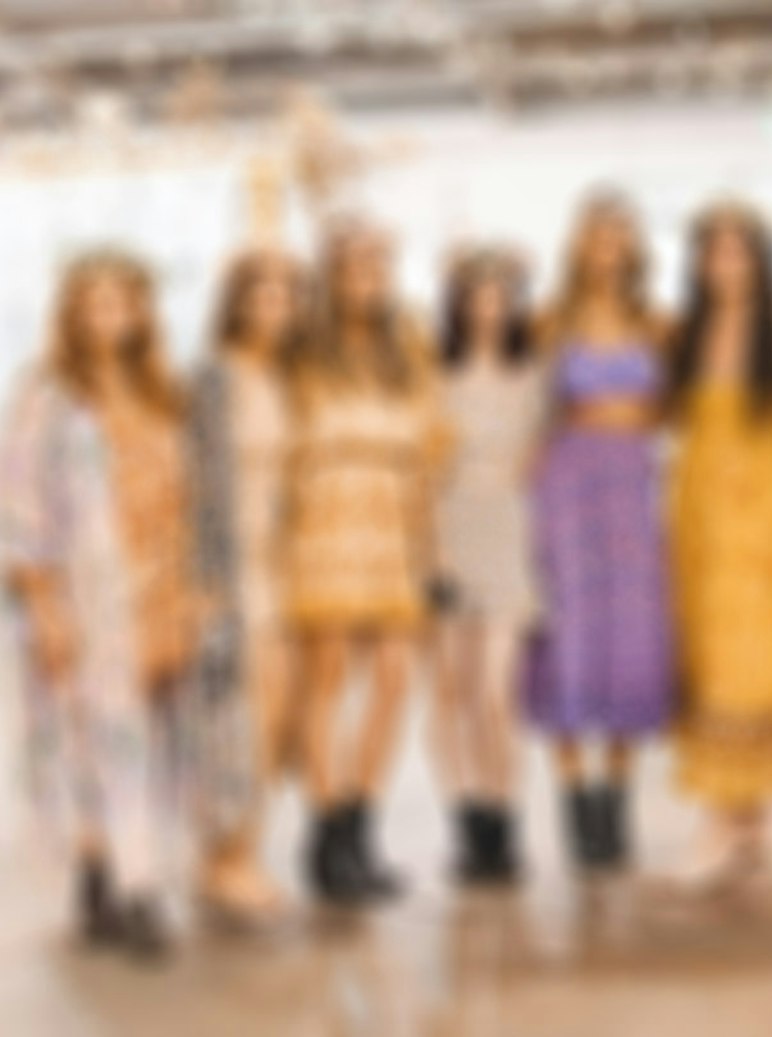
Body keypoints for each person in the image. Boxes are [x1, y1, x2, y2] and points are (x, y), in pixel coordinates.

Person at [4, 251, 201, 957]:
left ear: (144, 309)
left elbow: (190, 491)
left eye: (125, 301)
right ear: (73, 312)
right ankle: (138, 893)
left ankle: (99, 875)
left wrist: (196, 588)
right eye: (97, 303)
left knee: (155, 742)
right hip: (89, 594)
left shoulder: (162, 391)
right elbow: (21, 506)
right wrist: (45, 607)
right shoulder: (46, 395)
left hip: (162, 587)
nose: (111, 316)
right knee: (108, 740)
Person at [287, 217, 445, 907]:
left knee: (392, 677)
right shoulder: (304, 350)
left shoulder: (407, 344)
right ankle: (324, 834)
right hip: (326, 519)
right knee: (327, 679)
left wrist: (426, 533)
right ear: (330, 273)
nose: (368, 278)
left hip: (395, 519)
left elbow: (435, 437)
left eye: (379, 264)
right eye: (354, 265)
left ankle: (361, 823)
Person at [526, 192, 674, 875]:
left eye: (619, 238)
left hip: (633, 482)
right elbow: (525, 405)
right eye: (595, 237)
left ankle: (616, 795)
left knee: (630, 637)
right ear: (578, 246)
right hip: (569, 479)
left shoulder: (654, 321)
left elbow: (671, 406)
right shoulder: (550, 321)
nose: (607, 250)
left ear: (635, 249)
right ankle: (574, 798)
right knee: (566, 632)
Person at [667, 201, 772, 892]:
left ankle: (740, 814)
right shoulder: (689, 332)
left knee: (756, 665)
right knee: (709, 658)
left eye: (737, 251)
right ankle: (732, 813)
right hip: (701, 512)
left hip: (766, 513)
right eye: (712, 252)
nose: (724, 265)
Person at [183, 249, 301, 924]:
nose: (277, 309)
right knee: (238, 714)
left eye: (288, 296)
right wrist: (199, 580)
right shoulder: (212, 378)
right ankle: (227, 858)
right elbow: (193, 480)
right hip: (232, 566)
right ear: (237, 304)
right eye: (265, 296)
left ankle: (241, 848)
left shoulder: (284, 377)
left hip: (282, 563)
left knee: (277, 716)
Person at [427, 245, 542, 887]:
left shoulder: (532, 376)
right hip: (447, 528)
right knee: (450, 693)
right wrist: (430, 546)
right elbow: (424, 467)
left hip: (506, 532)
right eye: (477, 295)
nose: (489, 308)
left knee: (495, 692)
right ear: (460, 304)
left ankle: (504, 815)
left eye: (501, 296)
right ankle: (467, 820)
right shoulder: (434, 375)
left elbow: (539, 460)